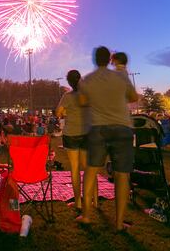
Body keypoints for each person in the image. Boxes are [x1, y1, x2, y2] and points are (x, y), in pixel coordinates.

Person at [77, 47, 138, 230]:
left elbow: (82, 102)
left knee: (91, 172)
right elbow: (133, 97)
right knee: (122, 175)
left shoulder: (87, 79)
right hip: (122, 127)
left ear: (95, 59)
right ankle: (119, 223)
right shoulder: (120, 76)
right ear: (109, 59)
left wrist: (96, 99)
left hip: (98, 128)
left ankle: (86, 215)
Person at [56, 70, 96, 210]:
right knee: (88, 168)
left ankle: (78, 202)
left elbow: (58, 113)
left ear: (69, 82)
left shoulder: (67, 96)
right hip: (86, 133)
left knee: (75, 169)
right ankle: (94, 201)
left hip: (71, 134)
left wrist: (67, 112)